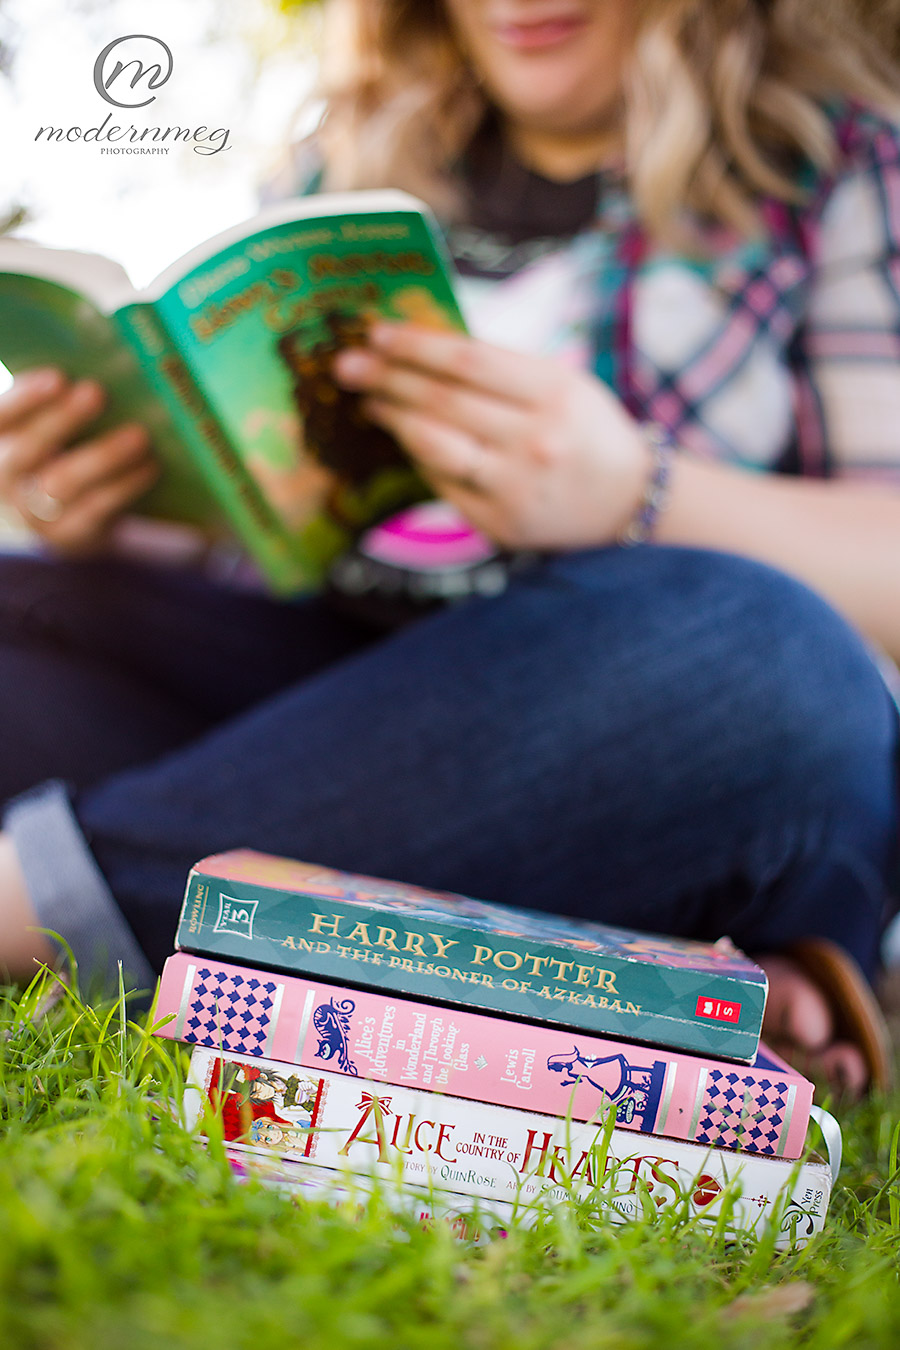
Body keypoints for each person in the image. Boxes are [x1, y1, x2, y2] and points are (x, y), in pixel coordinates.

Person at [0, 0, 899, 1097]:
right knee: (23, 598)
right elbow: (272, 542)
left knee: (769, 662)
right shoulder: (339, 163)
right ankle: (584, 983)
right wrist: (122, 514)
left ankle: (41, 903)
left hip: (625, 738)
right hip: (337, 732)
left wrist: (635, 491)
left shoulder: (835, 166)